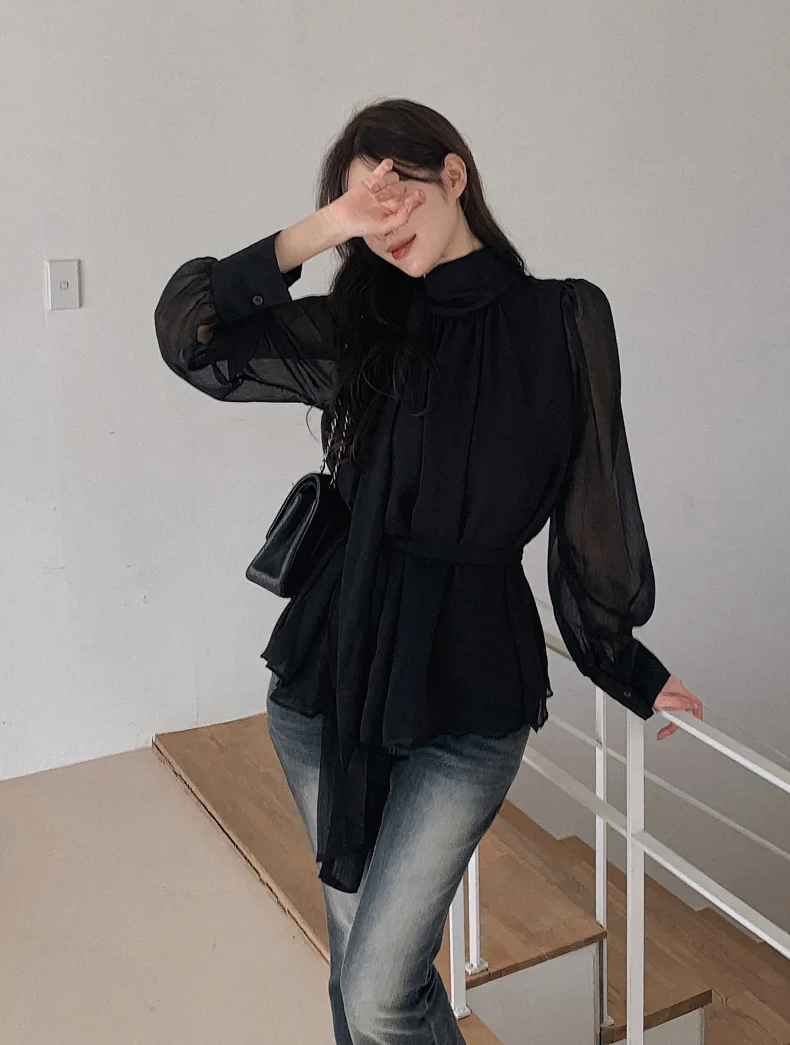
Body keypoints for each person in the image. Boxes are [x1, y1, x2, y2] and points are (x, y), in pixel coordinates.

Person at [153, 97, 703, 1045]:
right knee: (362, 970)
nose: (384, 221)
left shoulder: (563, 318)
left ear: (454, 175)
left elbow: (593, 502)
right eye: (361, 208)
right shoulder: (364, 329)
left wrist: (626, 663)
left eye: (394, 189)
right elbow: (192, 341)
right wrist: (323, 228)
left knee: (377, 990)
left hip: (469, 689)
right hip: (329, 678)